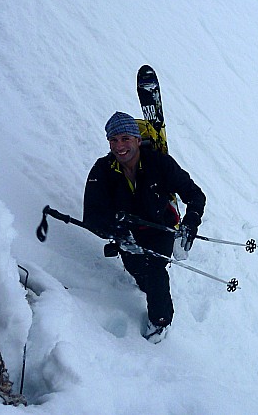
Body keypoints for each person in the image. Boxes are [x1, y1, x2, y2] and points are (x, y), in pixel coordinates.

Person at [83, 111, 206, 343]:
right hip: (126, 235)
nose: (119, 146)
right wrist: (117, 234)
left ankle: (160, 323)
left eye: (125, 138)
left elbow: (195, 195)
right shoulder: (102, 170)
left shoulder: (160, 164)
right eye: (114, 140)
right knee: (140, 273)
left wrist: (190, 225)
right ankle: (142, 283)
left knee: (155, 271)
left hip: (161, 229)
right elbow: (92, 215)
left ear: (138, 140)